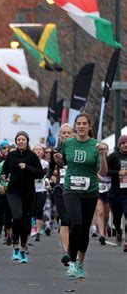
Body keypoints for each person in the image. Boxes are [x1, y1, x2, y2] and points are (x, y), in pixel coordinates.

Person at [54, 113, 108, 278]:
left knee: (84, 229)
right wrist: (58, 159)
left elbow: (103, 173)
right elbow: (64, 162)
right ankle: (71, 261)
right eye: (79, 123)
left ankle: (80, 264)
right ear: (75, 126)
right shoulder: (68, 143)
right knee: (75, 222)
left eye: (85, 123)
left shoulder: (95, 145)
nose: (82, 126)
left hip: (90, 190)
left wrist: (102, 155)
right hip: (71, 189)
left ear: (89, 126)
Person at [2, 131, 44, 264]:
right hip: (13, 191)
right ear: (16, 141)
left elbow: (40, 174)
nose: (21, 141)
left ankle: (23, 249)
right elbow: (5, 169)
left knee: (26, 221)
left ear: (27, 141)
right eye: (18, 139)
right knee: (17, 217)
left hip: (28, 192)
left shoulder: (32, 156)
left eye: (23, 139)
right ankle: (15, 245)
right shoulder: (11, 155)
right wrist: (4, 175)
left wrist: (27, 167)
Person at [47, 123, 73, 266]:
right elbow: (51, 168)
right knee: (64, 219)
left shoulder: (77, 149)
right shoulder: (55, 150)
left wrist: (62, 160)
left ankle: (72, 248)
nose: (67, 135)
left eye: (69, 133)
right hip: (60, 187)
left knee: (74, 221)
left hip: (76, 188)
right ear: (60, 136)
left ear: (73, 135)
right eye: (64, 133)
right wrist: (47, 178)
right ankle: (66, 252)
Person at [107, 134, 127, 252]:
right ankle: (118, 231)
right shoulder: (114, 156)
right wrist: (118, 173)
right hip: (115, 193)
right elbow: (105, 171)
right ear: (119, 144)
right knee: (117, 218)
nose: (125, 145)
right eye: (123, 143)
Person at [32, 144, 50, 242]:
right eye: (36, 149)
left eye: (40, 149)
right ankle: (33, 228)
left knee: (39, 209)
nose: (38, 151)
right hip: (31, 189)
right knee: (32, 210)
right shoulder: (30, 162)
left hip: (42, 189)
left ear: (42, 152)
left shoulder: (45, 164)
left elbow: (49, 175)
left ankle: (38, 232)